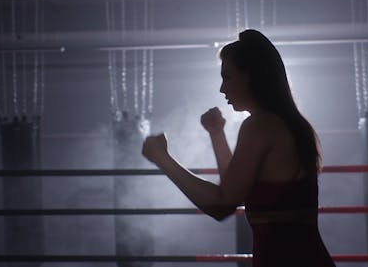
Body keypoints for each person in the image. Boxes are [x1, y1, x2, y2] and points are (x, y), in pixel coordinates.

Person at [142, 29, 336, 267]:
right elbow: (236, 189)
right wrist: (217, 134)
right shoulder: (287, 122)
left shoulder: (260, 124)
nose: (222, 89)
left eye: (227, 77)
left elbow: (222, 204)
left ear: (250, 76)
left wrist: (163, 159)